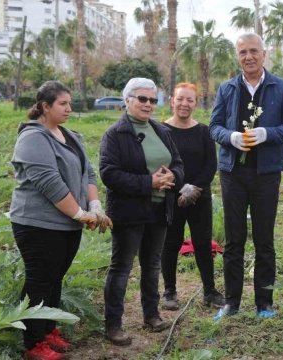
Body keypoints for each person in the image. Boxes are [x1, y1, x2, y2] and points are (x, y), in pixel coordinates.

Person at [10, 81, 112, 360]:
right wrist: (80, 214)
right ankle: (33, 344)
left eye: (70, 103)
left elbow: (87, 173)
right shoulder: (33, 138)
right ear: (45, 106)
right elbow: (49, 182)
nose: (70, 108)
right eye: (63, 104)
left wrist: (94, 205)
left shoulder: (70, 135)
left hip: (67, 223)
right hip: (37, 223)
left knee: (56, 278)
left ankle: (47, 330)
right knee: (40, 280)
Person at [209, 33, 283, 320]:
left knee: (264, 240)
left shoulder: (280, 87)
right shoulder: (227, 89)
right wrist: (231, 137)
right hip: (233, 173)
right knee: (234, 240)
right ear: (238, 57)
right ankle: (231, 302)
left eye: (253, 51)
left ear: (264, 54)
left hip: (266, 174)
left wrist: (267, 134)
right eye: (242, 52)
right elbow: (213, 126)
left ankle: (264, 303)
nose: (248, 57)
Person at [100, 78, 184, 346]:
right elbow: (109, 174)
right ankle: (114, 324)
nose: (148, 104)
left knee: (152, 265)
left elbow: (178, 163)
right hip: (128, 212)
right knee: (122, 268)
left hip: (159, 209)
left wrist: (173, 175)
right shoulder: (115, 134)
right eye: (142, 99)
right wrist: (149, 182)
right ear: (127, 100)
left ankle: (151, 315)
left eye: (152, 100)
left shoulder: (161, 130)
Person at [159, 83, 224, 311]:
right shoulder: (160, 130)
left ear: (196, 104)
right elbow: (159, 164)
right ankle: (169, 291)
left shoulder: (203, 131)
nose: (184, 104)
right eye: (180, 99)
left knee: (203, 243)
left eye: (189, 100)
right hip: (170, 198)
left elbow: (210, 166)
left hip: (199, 198)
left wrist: (192, 189)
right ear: (171, 101)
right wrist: (179, 189)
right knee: (171, 243)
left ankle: (209, 291)